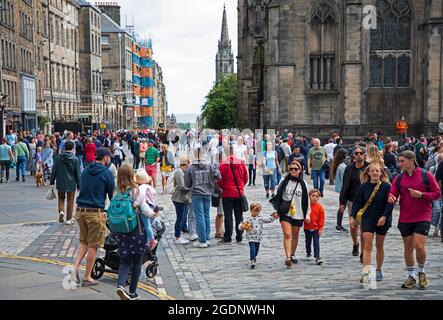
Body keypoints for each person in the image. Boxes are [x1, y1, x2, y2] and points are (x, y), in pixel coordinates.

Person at [388, 151, 441, 289]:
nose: (399, 164)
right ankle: (411, 276)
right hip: (405, 217)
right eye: (399, 161)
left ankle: (421, 271)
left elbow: (437, 193)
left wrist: (422, 195)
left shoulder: (426, 175)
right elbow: (392, 194)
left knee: (419, 245)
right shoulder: (398, 179)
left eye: (402, 161)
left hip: (423, 215)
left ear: (411, 160)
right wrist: (391, 198)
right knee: (408, 247)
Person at [72, 147, 115, 287]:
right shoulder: (107, 173)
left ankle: (75, 267)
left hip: (80, 211)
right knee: (93, 245)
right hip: (95, 212)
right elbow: (111, 195)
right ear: (106, 158)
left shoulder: (85, 170)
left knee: (83, 241)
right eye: (109, 157)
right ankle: (87, 277)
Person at [350, 164, 393, 286]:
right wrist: (352, 216)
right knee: (367, 246)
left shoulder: (386, 186)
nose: (375, 173)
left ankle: (378, 269)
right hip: (368, 218)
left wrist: (384, 216)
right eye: (372, 171)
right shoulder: (364, 187)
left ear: (381, 173)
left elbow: (390, 204)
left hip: (382, 219)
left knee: (379, 245)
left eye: (377, 171)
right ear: (368, 173)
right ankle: (366, 272)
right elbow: (357, 202)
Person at [114, 165, 147, 300]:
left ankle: (121, 286)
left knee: (125, 261)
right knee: (137, 261)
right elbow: (144, 208)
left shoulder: (116, 191)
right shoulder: (136, 190)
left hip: (121, 231)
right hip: (136, 229)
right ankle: (132, 292)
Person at [271, 160, 310, 267]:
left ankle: (292, 254)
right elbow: (277, 196)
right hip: (285, 212)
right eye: (291, 169)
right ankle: (287, 257)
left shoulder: (303, 184)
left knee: (295, 235)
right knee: (287, 235)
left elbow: (307, 201)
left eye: (295, 169)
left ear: (300, 170)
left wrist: (307, 214)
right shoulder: (284, 181)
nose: (293, 171)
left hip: (298, 212)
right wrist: (276, 210)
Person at [184, 147, 220, 248]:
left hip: (196, 193)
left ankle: (202, 240)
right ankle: (207, 237)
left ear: (194, 155)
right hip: (208, 193)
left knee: (199, 216)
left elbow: (187, 183)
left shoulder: (191, 168)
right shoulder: (210, 166)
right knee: (206, 215)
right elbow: (218, 176)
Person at [339, 146, 369, 259]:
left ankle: (363, 252)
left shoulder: (369, 167)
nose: (359, 155)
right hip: (352, 201)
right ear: (353, 156)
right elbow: (345, 186)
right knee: (353, 226)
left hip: (367, 202)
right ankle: (355, 243)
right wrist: (342, 202)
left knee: (364, 227)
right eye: (356, 153)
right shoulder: (349, 169)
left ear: (364, 155)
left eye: (361, 153)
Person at [217, 151, 249, 244]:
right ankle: (239, 236)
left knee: (228, 216)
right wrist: (241, 186)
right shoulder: (241, 163)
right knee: (239, 216)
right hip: (239, 193)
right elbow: (246, 177)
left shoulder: (222, 165)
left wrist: (224, 187)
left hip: (227, 194)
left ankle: (228, 237)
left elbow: (219, 180)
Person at [50, 141, 81, 225]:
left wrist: (52, 181)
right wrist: (79, 184)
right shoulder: (75, 159)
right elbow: (77, 173)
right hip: (71, 182)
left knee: (61, 198)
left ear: (64, 147)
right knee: (70, 200)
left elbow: (54, 170)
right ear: (73, 148)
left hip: (60, 181)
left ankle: (61, 211)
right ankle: (69, 218)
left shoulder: (58, 157)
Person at [238, 203, 277, 269]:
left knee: (256, 250)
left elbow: (268, 220)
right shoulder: (247, 219)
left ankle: (254, 257)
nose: (256, 213)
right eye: (254, 211)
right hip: (250, 237)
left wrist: (273, 216)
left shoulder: (260, 218)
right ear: (251, 210)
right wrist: (242, 226)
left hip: (258, 237)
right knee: (252, 249)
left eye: (257, 211)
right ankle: (252, 260)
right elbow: (240, 225)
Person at [172, 156, 198, 243]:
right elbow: (182, 186)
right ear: (186, 163)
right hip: (179, 198)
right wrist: (192, 187)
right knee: (180, 217)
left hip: (183, 198)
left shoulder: (183, 171)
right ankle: (177, 237)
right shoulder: (179, 172)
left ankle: (179, 236)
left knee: (182, 216)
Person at [133, 169, 159, 251]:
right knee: (148, 224)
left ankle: (151, 240)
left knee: (146, 225)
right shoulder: (150, 187)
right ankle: (149, 239)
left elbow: (141, 196)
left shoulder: (142, 187)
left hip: (145, 207)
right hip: (151, 206)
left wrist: (136, 203)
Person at [304, 189, 325, 265]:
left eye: (316, 196)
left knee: (316, 242)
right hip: (307, 228)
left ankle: (317, 256)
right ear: (309, 196)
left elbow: (321, 219)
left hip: (316, 228)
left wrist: (320, 228)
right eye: (313, 196)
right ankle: (308, 253)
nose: (315, 198)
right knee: (308, 241)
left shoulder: (320, 208)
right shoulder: (306, 206)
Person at [331, 148, 348, 232]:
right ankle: (339, 224)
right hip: (344, 190)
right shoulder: (343, 167)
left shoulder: (338, 165)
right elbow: (345, 180)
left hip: (341, 189)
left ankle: (339, 224)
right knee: (343, 206)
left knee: (342, 206)